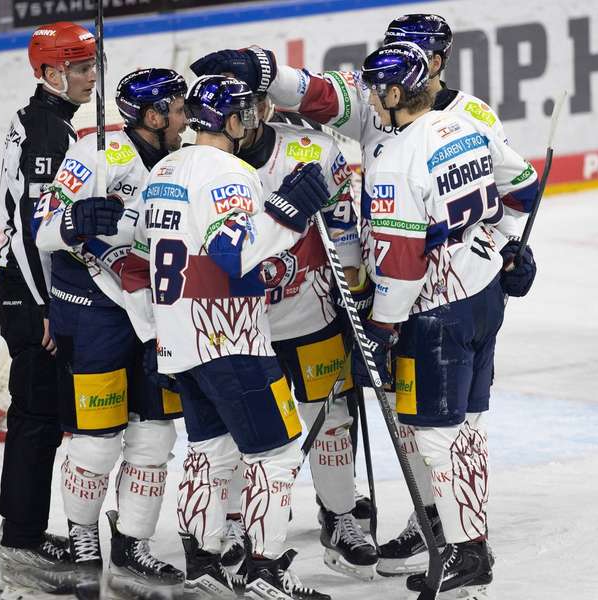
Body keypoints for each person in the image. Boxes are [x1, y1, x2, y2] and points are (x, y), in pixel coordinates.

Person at [190, 12, 540, 578]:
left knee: (435, 426)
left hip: (425, 304)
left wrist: (504, 255)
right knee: (442, 422)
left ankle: (451, 536)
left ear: (430, 65)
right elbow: (319, 94)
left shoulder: (446, 125)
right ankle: (449, 531)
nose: (370, 97)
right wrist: (262, 69)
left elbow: (421, 249)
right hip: (461, 295)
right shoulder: (428, 113)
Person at [353, 41, 537, 599]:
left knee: (435, 437)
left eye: (373, 88)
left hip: (436, 310)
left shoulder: (394, 158)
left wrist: (381, 330)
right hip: (484, 292)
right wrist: (507, 245)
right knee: (469, 427)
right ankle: (471, 537)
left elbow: (404, 264)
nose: (367, 97)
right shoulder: (465, 126)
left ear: (392, 92)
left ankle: (467, 552)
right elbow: (524, 186)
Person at [138, 74, 330, 599]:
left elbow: (164, 254)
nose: (254, 122)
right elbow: (234, 254)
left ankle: (201, 561)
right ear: (230, 119)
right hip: (230, 340)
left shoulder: (163, 171)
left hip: (178, 340)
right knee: (277, 456)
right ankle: (266, 571)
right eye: (247, 113)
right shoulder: (231, 174)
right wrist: (288, 214)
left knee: (210, 451)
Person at [34, 68, 190, 594]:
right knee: (97, 440)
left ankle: (133, 541)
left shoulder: (184, 160)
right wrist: (75, 220)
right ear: (151, 116)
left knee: (155, 436)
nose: (185, 116)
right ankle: (81, 532)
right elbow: (43, 228)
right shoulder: (94, 153)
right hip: (99, 312)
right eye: (177, 106)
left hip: (160, 313)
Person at [224, 72, 377, 580]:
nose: (247, 118)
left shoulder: (312, 148)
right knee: (239, 432)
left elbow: (341, 223)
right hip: (239, 326)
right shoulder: (204, 162)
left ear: (267, 105)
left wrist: (354, 291)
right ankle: (234, 523)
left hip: (311, 313)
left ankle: (340, 518)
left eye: (255, 105)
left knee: (330, 418)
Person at [0, 21, 95, 598]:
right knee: (34, 419)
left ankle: (24, 531)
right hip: (26, 292)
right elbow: (34, 234)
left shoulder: (44, 120)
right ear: (51, 73)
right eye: (81, 68)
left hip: (24, 288)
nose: (90, 77)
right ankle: (22, 540)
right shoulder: (48, 135)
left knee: (38, 417)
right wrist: (45, 304)